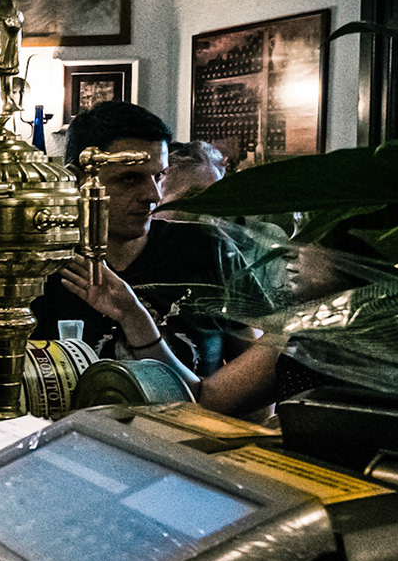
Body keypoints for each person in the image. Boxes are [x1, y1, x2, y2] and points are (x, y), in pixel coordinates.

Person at [36, 102, 255, 377]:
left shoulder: (209, 248)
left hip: (191, 419)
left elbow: (255, 391)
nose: (153, 195)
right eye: (130, 179)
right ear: (78, 179)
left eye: (159, 177)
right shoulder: (43, 265)